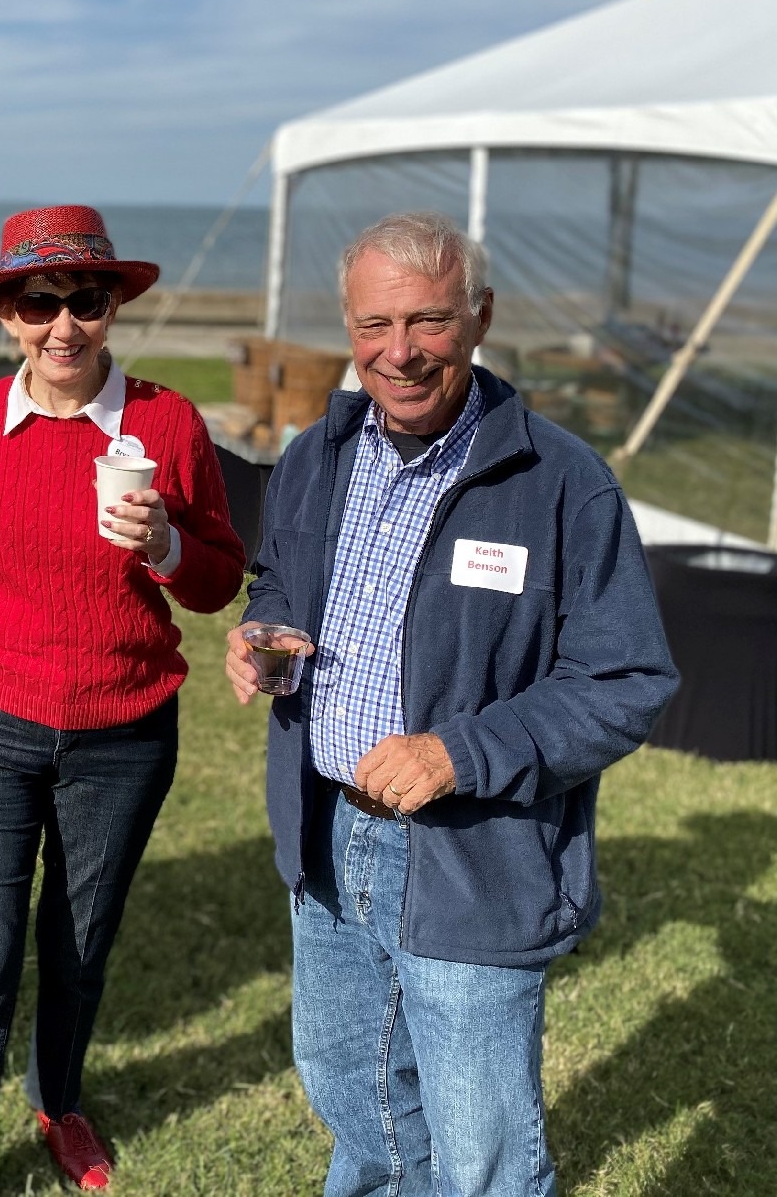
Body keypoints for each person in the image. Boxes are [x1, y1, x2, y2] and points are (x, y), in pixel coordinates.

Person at [225, 211, 679, 1196]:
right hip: (328, 831)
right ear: (347, 327)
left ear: (478, 317)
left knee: (483, 1156)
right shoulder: (320, 453)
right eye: (375, 325)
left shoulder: (561, 483)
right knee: (354, 1095)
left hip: (475, 853)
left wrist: (459, 753)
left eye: (427, 321)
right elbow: (281, 585)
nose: (399, 352)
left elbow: (628, 680)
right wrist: (270, 638)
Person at [0, 206, 246, 1194]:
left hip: (124, 734)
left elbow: (219, 577)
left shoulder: (167, 425)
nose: (64, 324)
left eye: (87, 300)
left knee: (78, 947)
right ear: (7, 314)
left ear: (114, 309)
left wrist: (164, 547)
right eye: (40, 301)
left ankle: (59, 1101)